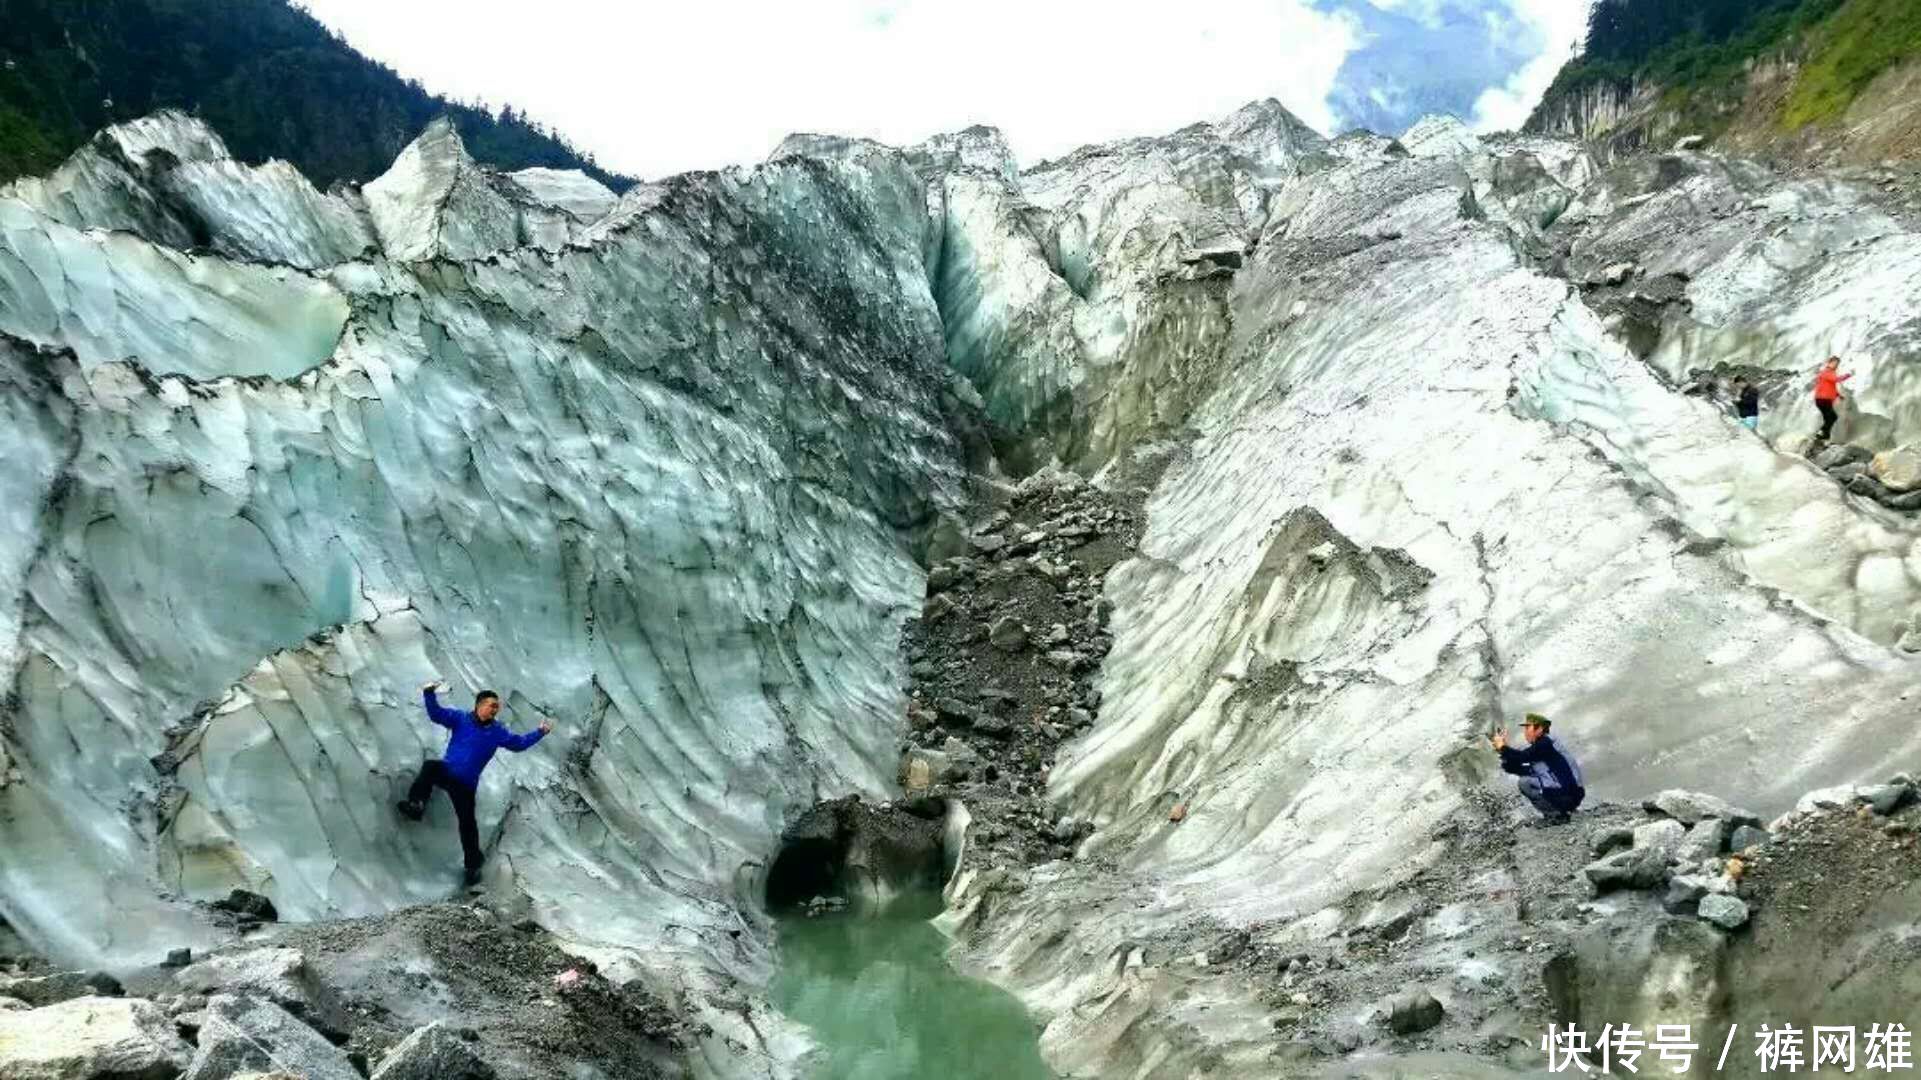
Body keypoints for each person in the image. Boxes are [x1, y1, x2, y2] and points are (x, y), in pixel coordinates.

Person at [399, 681, 554, 886]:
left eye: (497, 707)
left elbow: (518, 744)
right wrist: (429, 693)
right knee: (430, 767)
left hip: (466, 786)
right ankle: (417, 805)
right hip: (448, 772)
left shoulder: (497, 732)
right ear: (479, 704)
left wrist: (540, 732)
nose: (495, 710)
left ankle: (472, 867)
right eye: (491, 705)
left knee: (468, 825)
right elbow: (436, 714)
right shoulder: (460, 718)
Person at [1490, 713, 1585, 825]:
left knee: (1525, 783)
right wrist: (1502, 751)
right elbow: (1515, 768)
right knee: (1525, 779)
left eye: (1527, 728)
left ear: (1539, 728)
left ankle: (1556, 816)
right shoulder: (1539, 750)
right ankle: (1563, 812)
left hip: (1570, 794)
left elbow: (1522, 756)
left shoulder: (1546, 743)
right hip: (1569, 794)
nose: (1525, 732)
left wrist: (1503, 747)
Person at [1813, 357, 1852, 442]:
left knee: (1829, 418)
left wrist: (1838, 395)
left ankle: (1824, 436)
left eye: (1837, 364)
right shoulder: (1827, 371)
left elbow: (1830, 386)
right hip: (1823, 399)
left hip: (1824, 400)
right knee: (1832, 417)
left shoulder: (1829, 372)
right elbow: (1836, 379)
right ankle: (1821, 434)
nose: (1836, 365)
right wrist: (1848, 375)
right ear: (1829, 362)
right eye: (1835, 363)